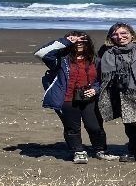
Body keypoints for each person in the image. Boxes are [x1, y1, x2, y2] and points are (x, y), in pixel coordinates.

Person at [34, 31, 110, 164]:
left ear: (88, 44)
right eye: (75, 41)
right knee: (72, 128)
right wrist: (66, 41)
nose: (79, 43)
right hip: (67, 99)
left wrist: (95, 90)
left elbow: (100, 81)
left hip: (89, 99)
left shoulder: (95, 60)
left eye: (83, 41)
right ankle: (78, 151)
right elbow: (40, 53)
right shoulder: (59, 60)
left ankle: (100, 150)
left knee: (94, 127)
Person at [98, 23, 136, 164]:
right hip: (121, 93)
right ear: (111, 37)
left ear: (132, 34)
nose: (120, 37)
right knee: (130, 124)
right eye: (115, 34)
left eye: (124, 33)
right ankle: (134, 152)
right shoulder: (107, 52)